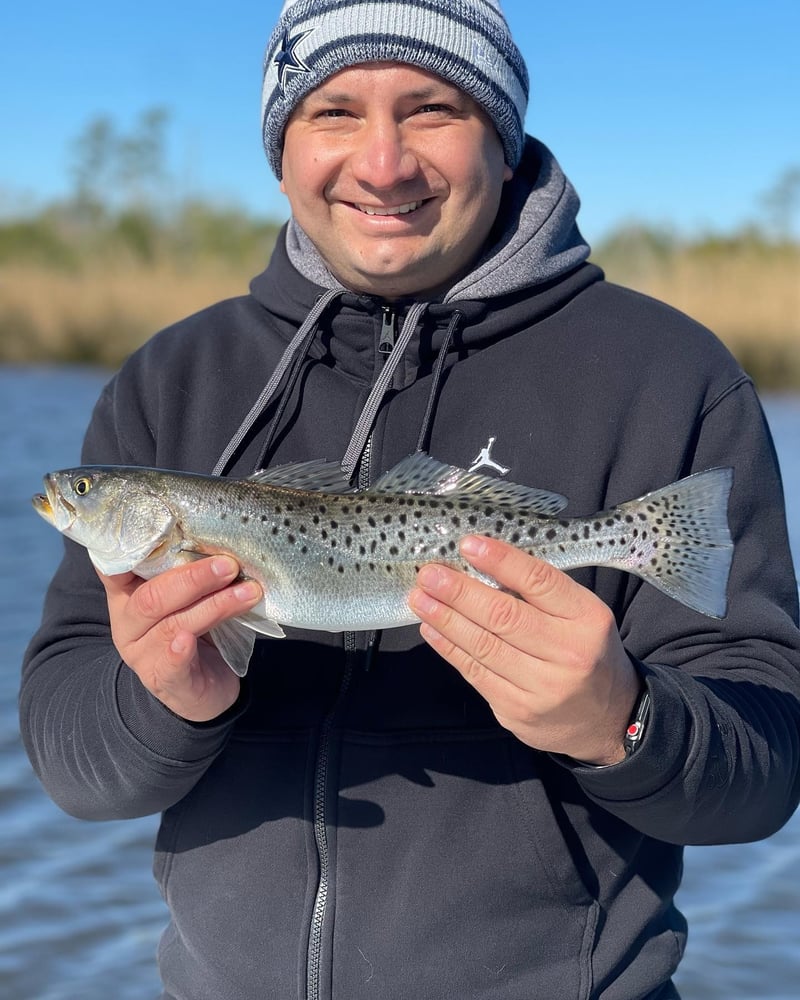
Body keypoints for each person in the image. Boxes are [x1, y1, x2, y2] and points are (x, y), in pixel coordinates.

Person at [21, 0, 800, 997]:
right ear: (281, 146)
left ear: (504, 137)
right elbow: (70, 764)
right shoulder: (168, 380)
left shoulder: (668, 375)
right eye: (333, 110)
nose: (381, 164)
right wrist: (162, 700)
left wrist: (622, 719)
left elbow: (763, 770)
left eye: (431, 108)